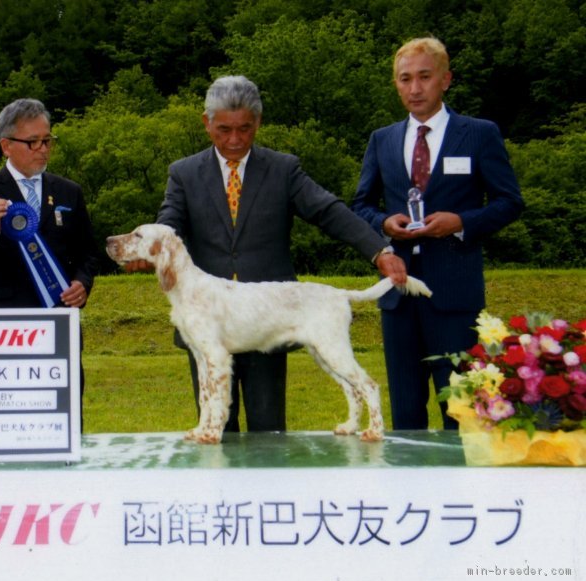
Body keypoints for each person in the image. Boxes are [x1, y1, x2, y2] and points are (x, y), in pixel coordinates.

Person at [150, 75, 407, 433]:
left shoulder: (283, 169)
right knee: (214, 431)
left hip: (269, 317)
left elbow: (328, 211)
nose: (235, 140)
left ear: (258, 122)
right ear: (206, 123)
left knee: (269, 433)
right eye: (224, 130)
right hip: (207, 315)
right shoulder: (183, 173)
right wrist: (151, 250)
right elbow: (169, 225)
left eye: (245, 128)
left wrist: (378, 250)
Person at [352, 37, 524, 430]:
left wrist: (461, 222)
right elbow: (359, 205)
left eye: (424, 77)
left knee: (462, 414)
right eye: (405, 79)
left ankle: (462, 491)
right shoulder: (382, 139)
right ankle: (408, 491)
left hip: (454, 292)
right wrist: (383, 223)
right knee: (406, 416)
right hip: (398, 294)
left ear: (445, 80)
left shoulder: (480, 134)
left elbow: (509, 201)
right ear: (396, 84)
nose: (414, 88)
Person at [0, 98, 100, 309]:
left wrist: (82, 283)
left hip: (61, 316)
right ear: (6, 146)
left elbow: (88, 253)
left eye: (47, 140)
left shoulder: (70, 191)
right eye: (32, 142)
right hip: (6, 324)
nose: (43, 149)